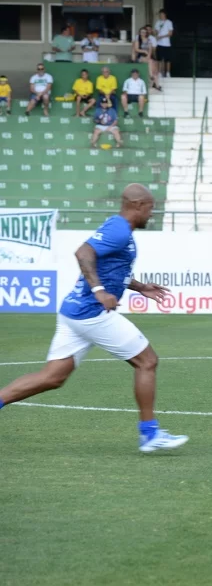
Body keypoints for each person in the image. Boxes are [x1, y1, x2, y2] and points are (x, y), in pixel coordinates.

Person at [0, 185, 188, 452]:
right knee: (147, 361)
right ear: (137, 204)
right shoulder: (119, 230)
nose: (152, 213)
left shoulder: (117, 227)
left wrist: (140, 287)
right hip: (92, 313)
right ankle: (150, 434)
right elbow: (83, 253)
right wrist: (99, 291)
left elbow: (109, 267)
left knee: (52, 377)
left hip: (73, 312)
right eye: (150, 207)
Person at [154, 9, 173, 78]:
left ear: (165, 14)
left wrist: (161, 36)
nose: (160, 15)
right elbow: (155, 31)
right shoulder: (158, 22)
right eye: (159, 14)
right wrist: (156, 34)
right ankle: (160, 73)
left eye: (161, 14)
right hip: (159, 44)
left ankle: (168, 73)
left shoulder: (169, 22)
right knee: (159, 59)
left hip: (167, 44)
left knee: (167, 59)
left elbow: (170, 33)